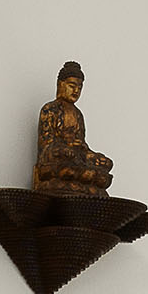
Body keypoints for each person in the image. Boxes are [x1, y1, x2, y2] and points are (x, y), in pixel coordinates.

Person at [32, 62, 114, 195]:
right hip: (58, 157)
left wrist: (92, 155)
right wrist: (64, 146)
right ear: (60, 84)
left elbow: (82, 146)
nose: (76, 91)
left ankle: (82, 182)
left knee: (105, 165)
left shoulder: (78, 114)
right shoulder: (50, 109)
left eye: (80, 87)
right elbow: (46, 143)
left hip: (76, 158)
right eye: (72, 86)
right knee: (65, 158)